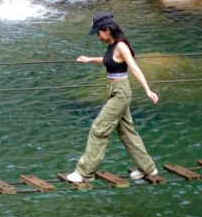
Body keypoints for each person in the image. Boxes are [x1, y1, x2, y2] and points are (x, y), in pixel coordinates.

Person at [64, 12, 159, 184]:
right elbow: (109, 60)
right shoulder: (112, 45)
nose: (97, 36)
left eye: (98, 33)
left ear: (107, 30)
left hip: (121, 93)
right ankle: (148, 168)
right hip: (114, 91)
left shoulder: (121, 46)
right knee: (127, 133)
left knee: (98, 129)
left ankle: (84, 172)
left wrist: (147, 90)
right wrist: (89, 59)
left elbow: (134, 68)